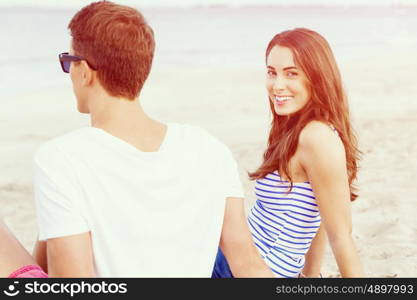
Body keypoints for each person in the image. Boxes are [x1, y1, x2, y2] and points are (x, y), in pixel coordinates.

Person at [2, 1, 273, 278]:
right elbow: (248, 264)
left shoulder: (61, 158)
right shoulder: (210, 149)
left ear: (83, 71)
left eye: (67, 61)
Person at [213, 28, 364, 278]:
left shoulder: (317, 137)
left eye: (291, 73)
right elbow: (320, 214)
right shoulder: (295, 128)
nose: (277, 85)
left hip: (248, 270)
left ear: (317, 78)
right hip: (240, 259)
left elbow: (341, 234)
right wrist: (310, 276)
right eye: (272, 72)